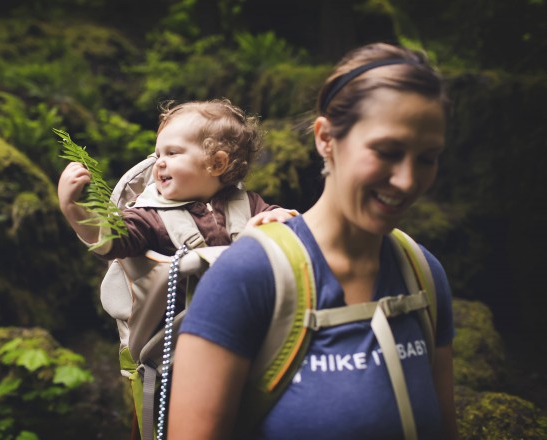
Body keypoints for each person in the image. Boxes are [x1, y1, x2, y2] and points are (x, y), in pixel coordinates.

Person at [169, 43, 458, 440]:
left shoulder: (422, 275)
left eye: (427, 158)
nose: (408, 180)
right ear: (325, 138)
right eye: (387, 151)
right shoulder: (248, 277)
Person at [57, 98, 294, 266]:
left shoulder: (248, 205)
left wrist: (281, 219)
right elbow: (112, 242)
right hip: (180, 328)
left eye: (172, 153)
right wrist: (72, 208)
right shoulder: (149, 215)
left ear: (217, 164)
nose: (158, 163)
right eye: (158, 154)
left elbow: (284, 225)